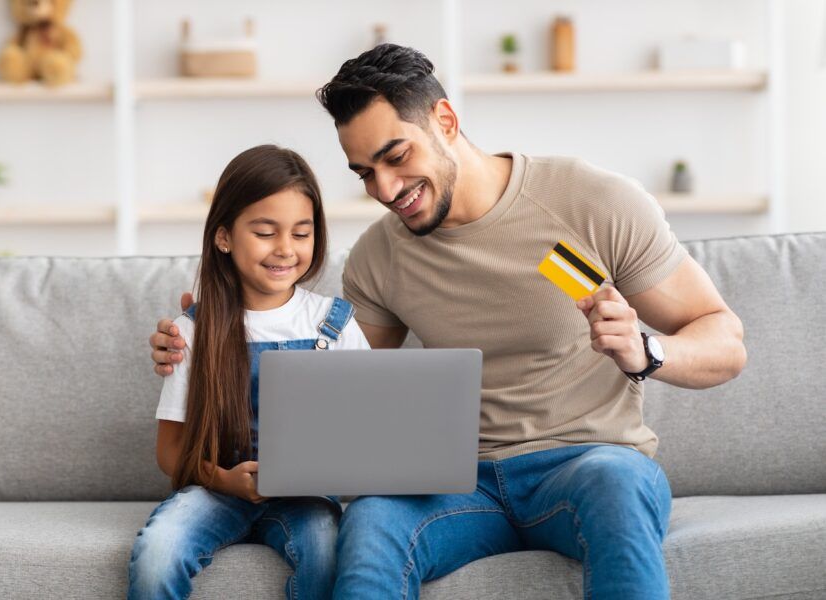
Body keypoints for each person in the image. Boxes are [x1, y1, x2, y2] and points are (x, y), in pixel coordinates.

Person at [149, 46, 747, 600]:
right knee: (372, 521)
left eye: (396, 157)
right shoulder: (380, 258)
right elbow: (341, 400)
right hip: (457, 485)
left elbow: (724, 339)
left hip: (588, 465)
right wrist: (216, 327)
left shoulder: (592, 203)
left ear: (446, 120)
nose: (385, 190)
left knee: (616, 483)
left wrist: (646, 349)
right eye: (364, 173)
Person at [129, 145, 370, 600]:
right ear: (224, 237)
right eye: (265, 232)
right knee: (158, 553)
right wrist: (225, 479)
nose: (285, 249)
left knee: (326, 550)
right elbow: (170, 452)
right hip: (215, 487)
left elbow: (369, 431)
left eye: (302, 233)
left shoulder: (333, 324)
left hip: (307, 498)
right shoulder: (191, 332)